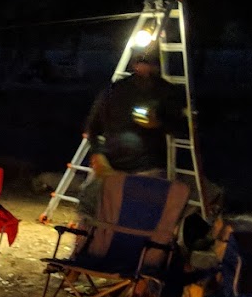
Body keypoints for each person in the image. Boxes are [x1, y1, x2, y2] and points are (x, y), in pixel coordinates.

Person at [77, 45, 190, 220]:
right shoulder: (114, 90)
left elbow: (183, 127)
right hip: (110, 163)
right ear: (134, 64)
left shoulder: (167, 93)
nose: (144, 68)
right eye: (141, 62)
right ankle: (87, 244)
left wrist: (159, 123)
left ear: (157, 65)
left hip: (147, 166)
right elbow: (92, 126)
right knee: (89, 207)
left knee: (139, 215)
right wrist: (98, 155)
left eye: (150, 63)